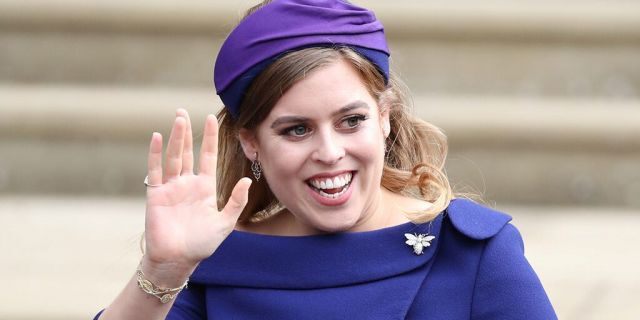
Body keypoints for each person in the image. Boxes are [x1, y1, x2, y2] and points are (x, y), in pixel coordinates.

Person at [95, 0, 557, 319]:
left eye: (351, 121)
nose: (330, 153)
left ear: (385, 117)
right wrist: (161, 272)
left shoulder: (472, 252)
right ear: (251, 143)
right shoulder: (217, 263)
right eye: (296, 129)